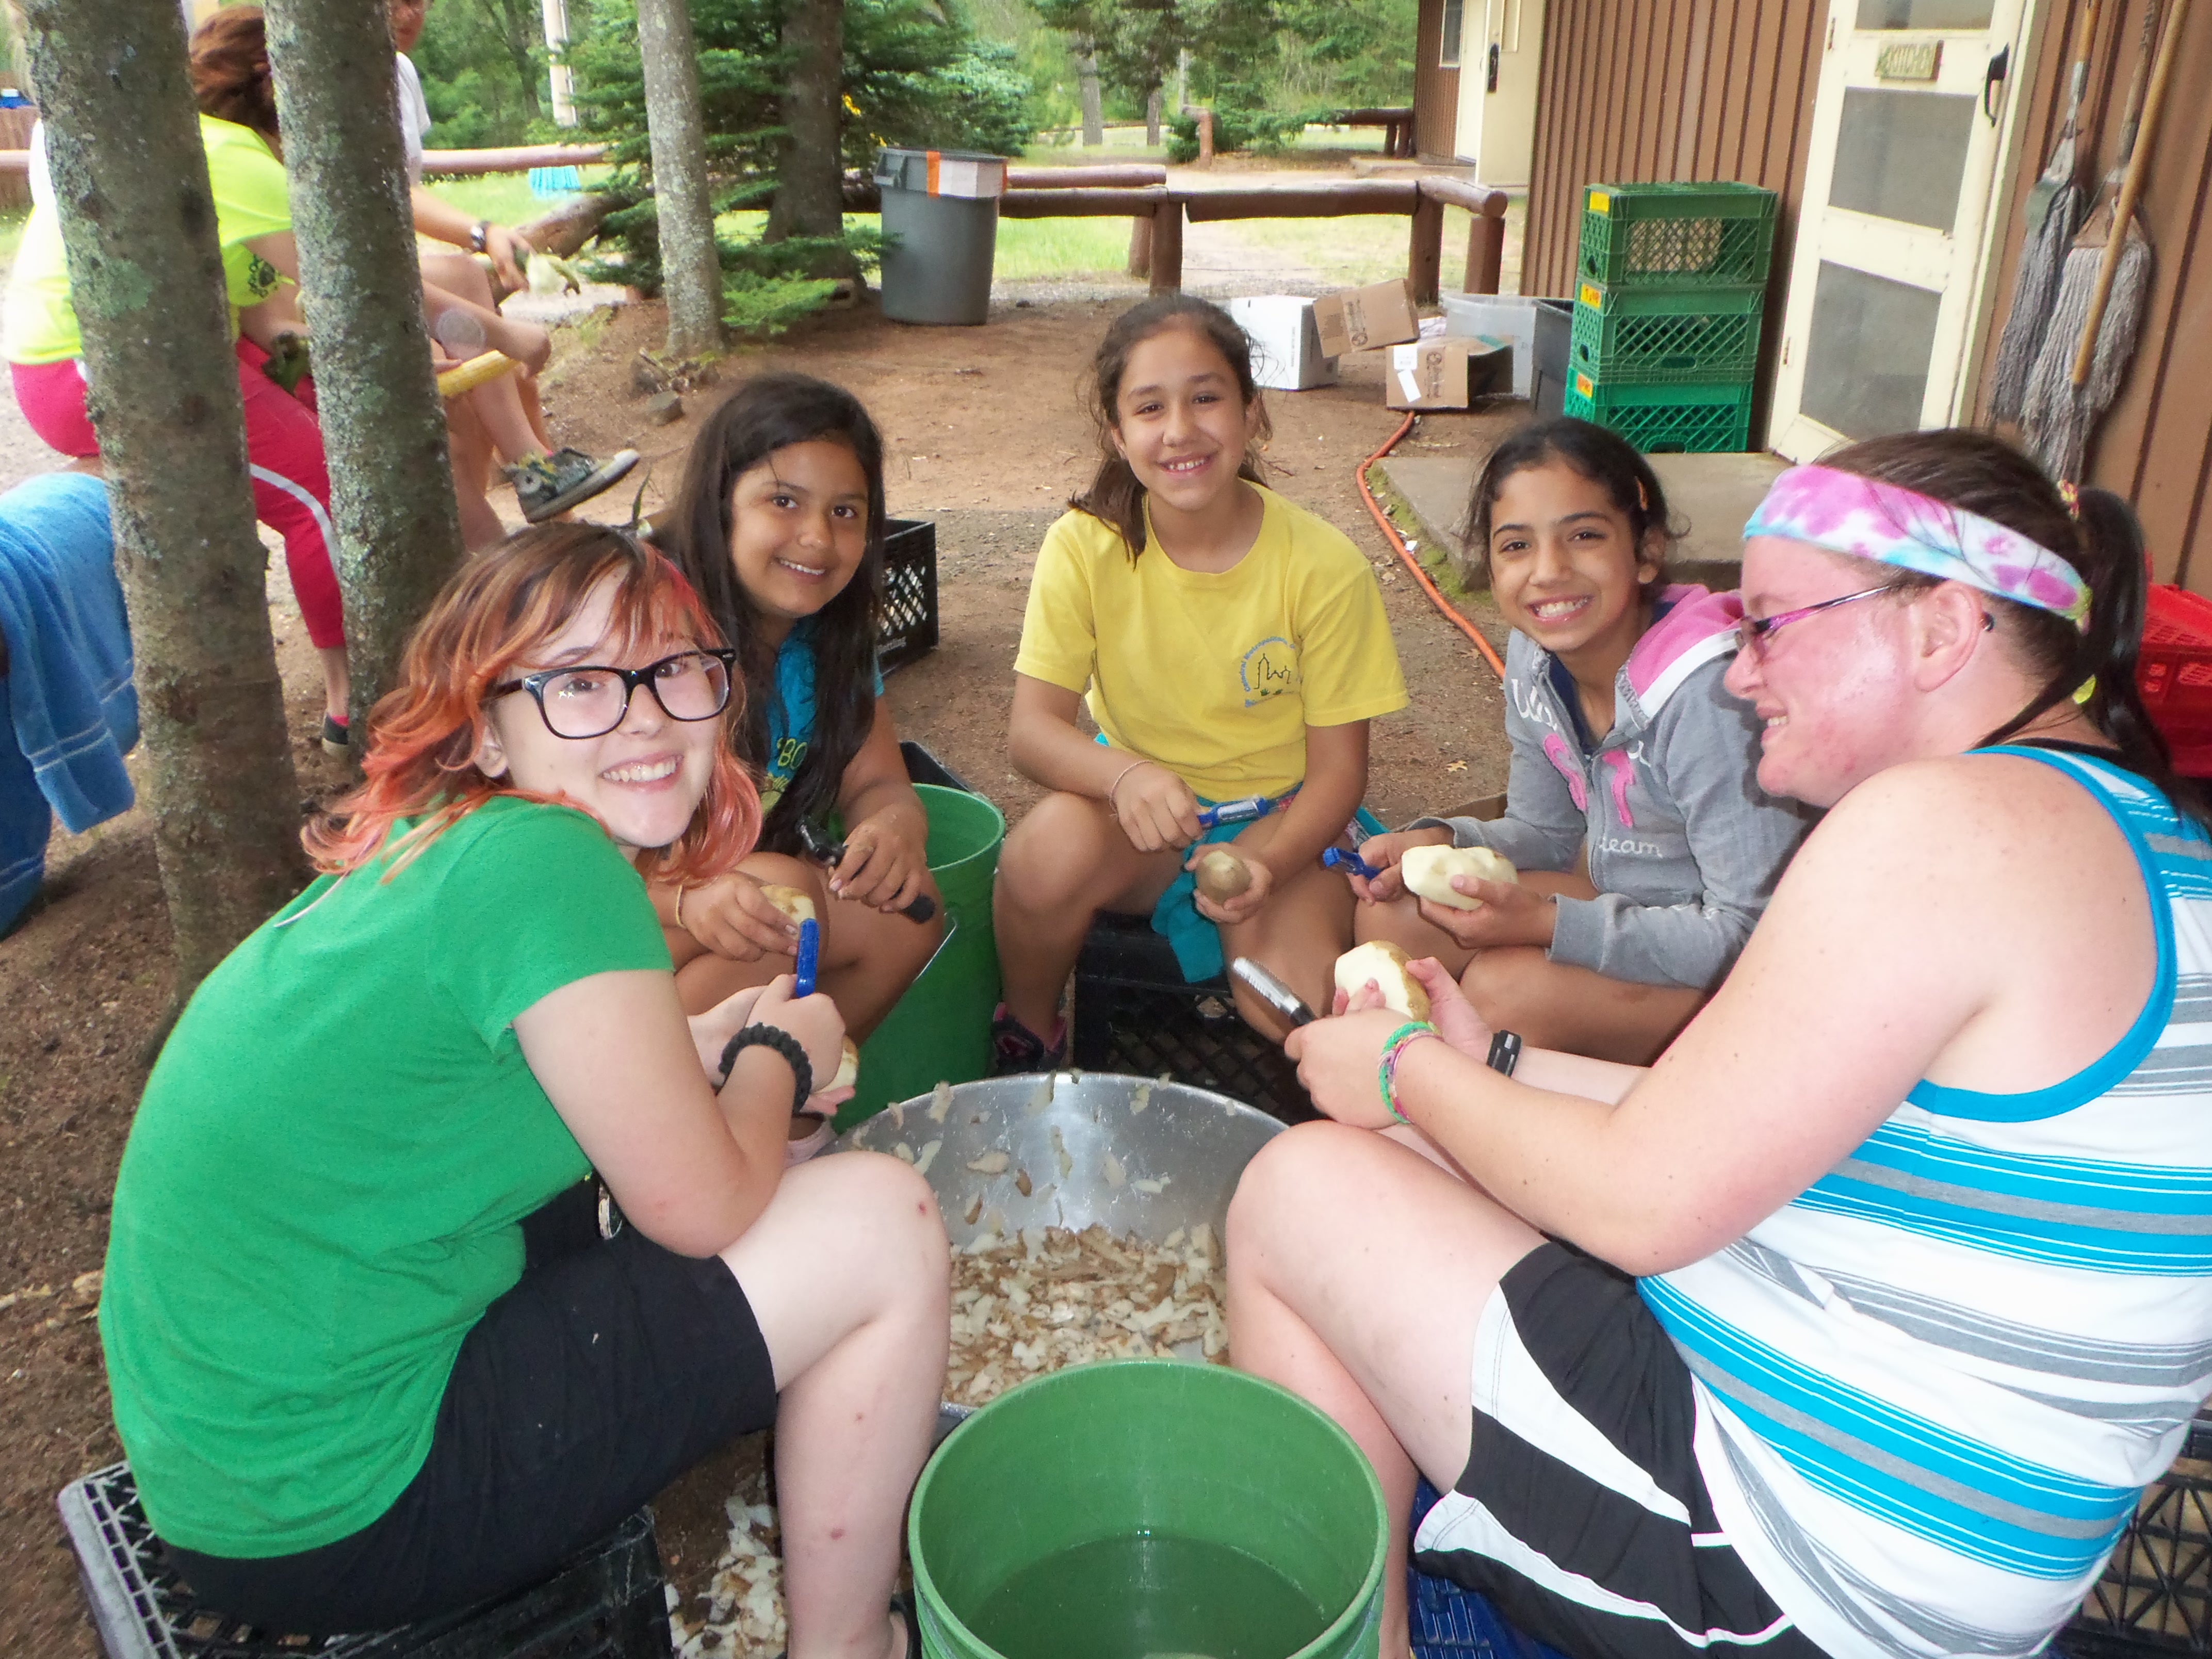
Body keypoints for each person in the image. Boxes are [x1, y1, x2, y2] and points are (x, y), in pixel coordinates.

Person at [1226, 429, 2212, 1659]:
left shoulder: (1942, 827)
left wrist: (1396, 1068)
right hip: (1939, 1551)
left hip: (1807, 1571)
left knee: (1295, 1188)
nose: (1738, 677)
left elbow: (1638, 1204)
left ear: (1939, 629)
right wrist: (1483, 1065)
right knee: (1425, 1147)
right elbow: (1738, 1116)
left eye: (1767, 628)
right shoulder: (2139, 830)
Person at [99, 526, 945, 1657]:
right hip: (340, 1501)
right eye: (580, 682)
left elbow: (516, 1081)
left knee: (742, 1181)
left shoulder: (443, 838)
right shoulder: (552, 866)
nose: (643, 715)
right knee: (883, 1219)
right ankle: (847, 1648)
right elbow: (700, 1209)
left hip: (236, 1461)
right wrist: (776, 1059)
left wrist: (705, 1048)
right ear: (486, 727)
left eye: (674, 669)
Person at [990, 295, 1408, 1067]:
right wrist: (1123, 776)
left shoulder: (1324, 568)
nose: (1180, 429)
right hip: (1141, 824)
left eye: (1206, 398)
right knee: (1040, 856)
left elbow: (1339, 774)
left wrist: (1268, 864)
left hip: (1284, 820)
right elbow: (1032, 731)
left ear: (1252, 413)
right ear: (1117, 434)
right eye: (1150, 408)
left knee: (1288, 1003)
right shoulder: (1083, 547)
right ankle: (1029, 1031)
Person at [1347, 417, 1811, 1063]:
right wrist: (1444, 842)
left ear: (1645, 550)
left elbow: (1748, 932)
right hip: (1626, 913)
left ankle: (1562, 1107)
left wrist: (1547, 923)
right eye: (1516, 546)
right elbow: (1547, 833)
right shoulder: (1536, 661)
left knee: (1504, 993)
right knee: (1398, 917)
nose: (1549, 572)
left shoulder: (1712, 698)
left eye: (1584, 536)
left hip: (1752, 975)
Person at [654, 376, 945, 1137]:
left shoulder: (827, 637)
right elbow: (550, 861)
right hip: (600, 919)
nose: (818, 536)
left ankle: (788, 1107)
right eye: (783, 501)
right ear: (720, 503)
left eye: (845, 512)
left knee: (904, 915)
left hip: (718, 900)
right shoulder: (646, 635)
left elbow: (880, 781)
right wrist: (683, 899)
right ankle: (665, 1131)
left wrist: (893, 827)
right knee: (783, 901)